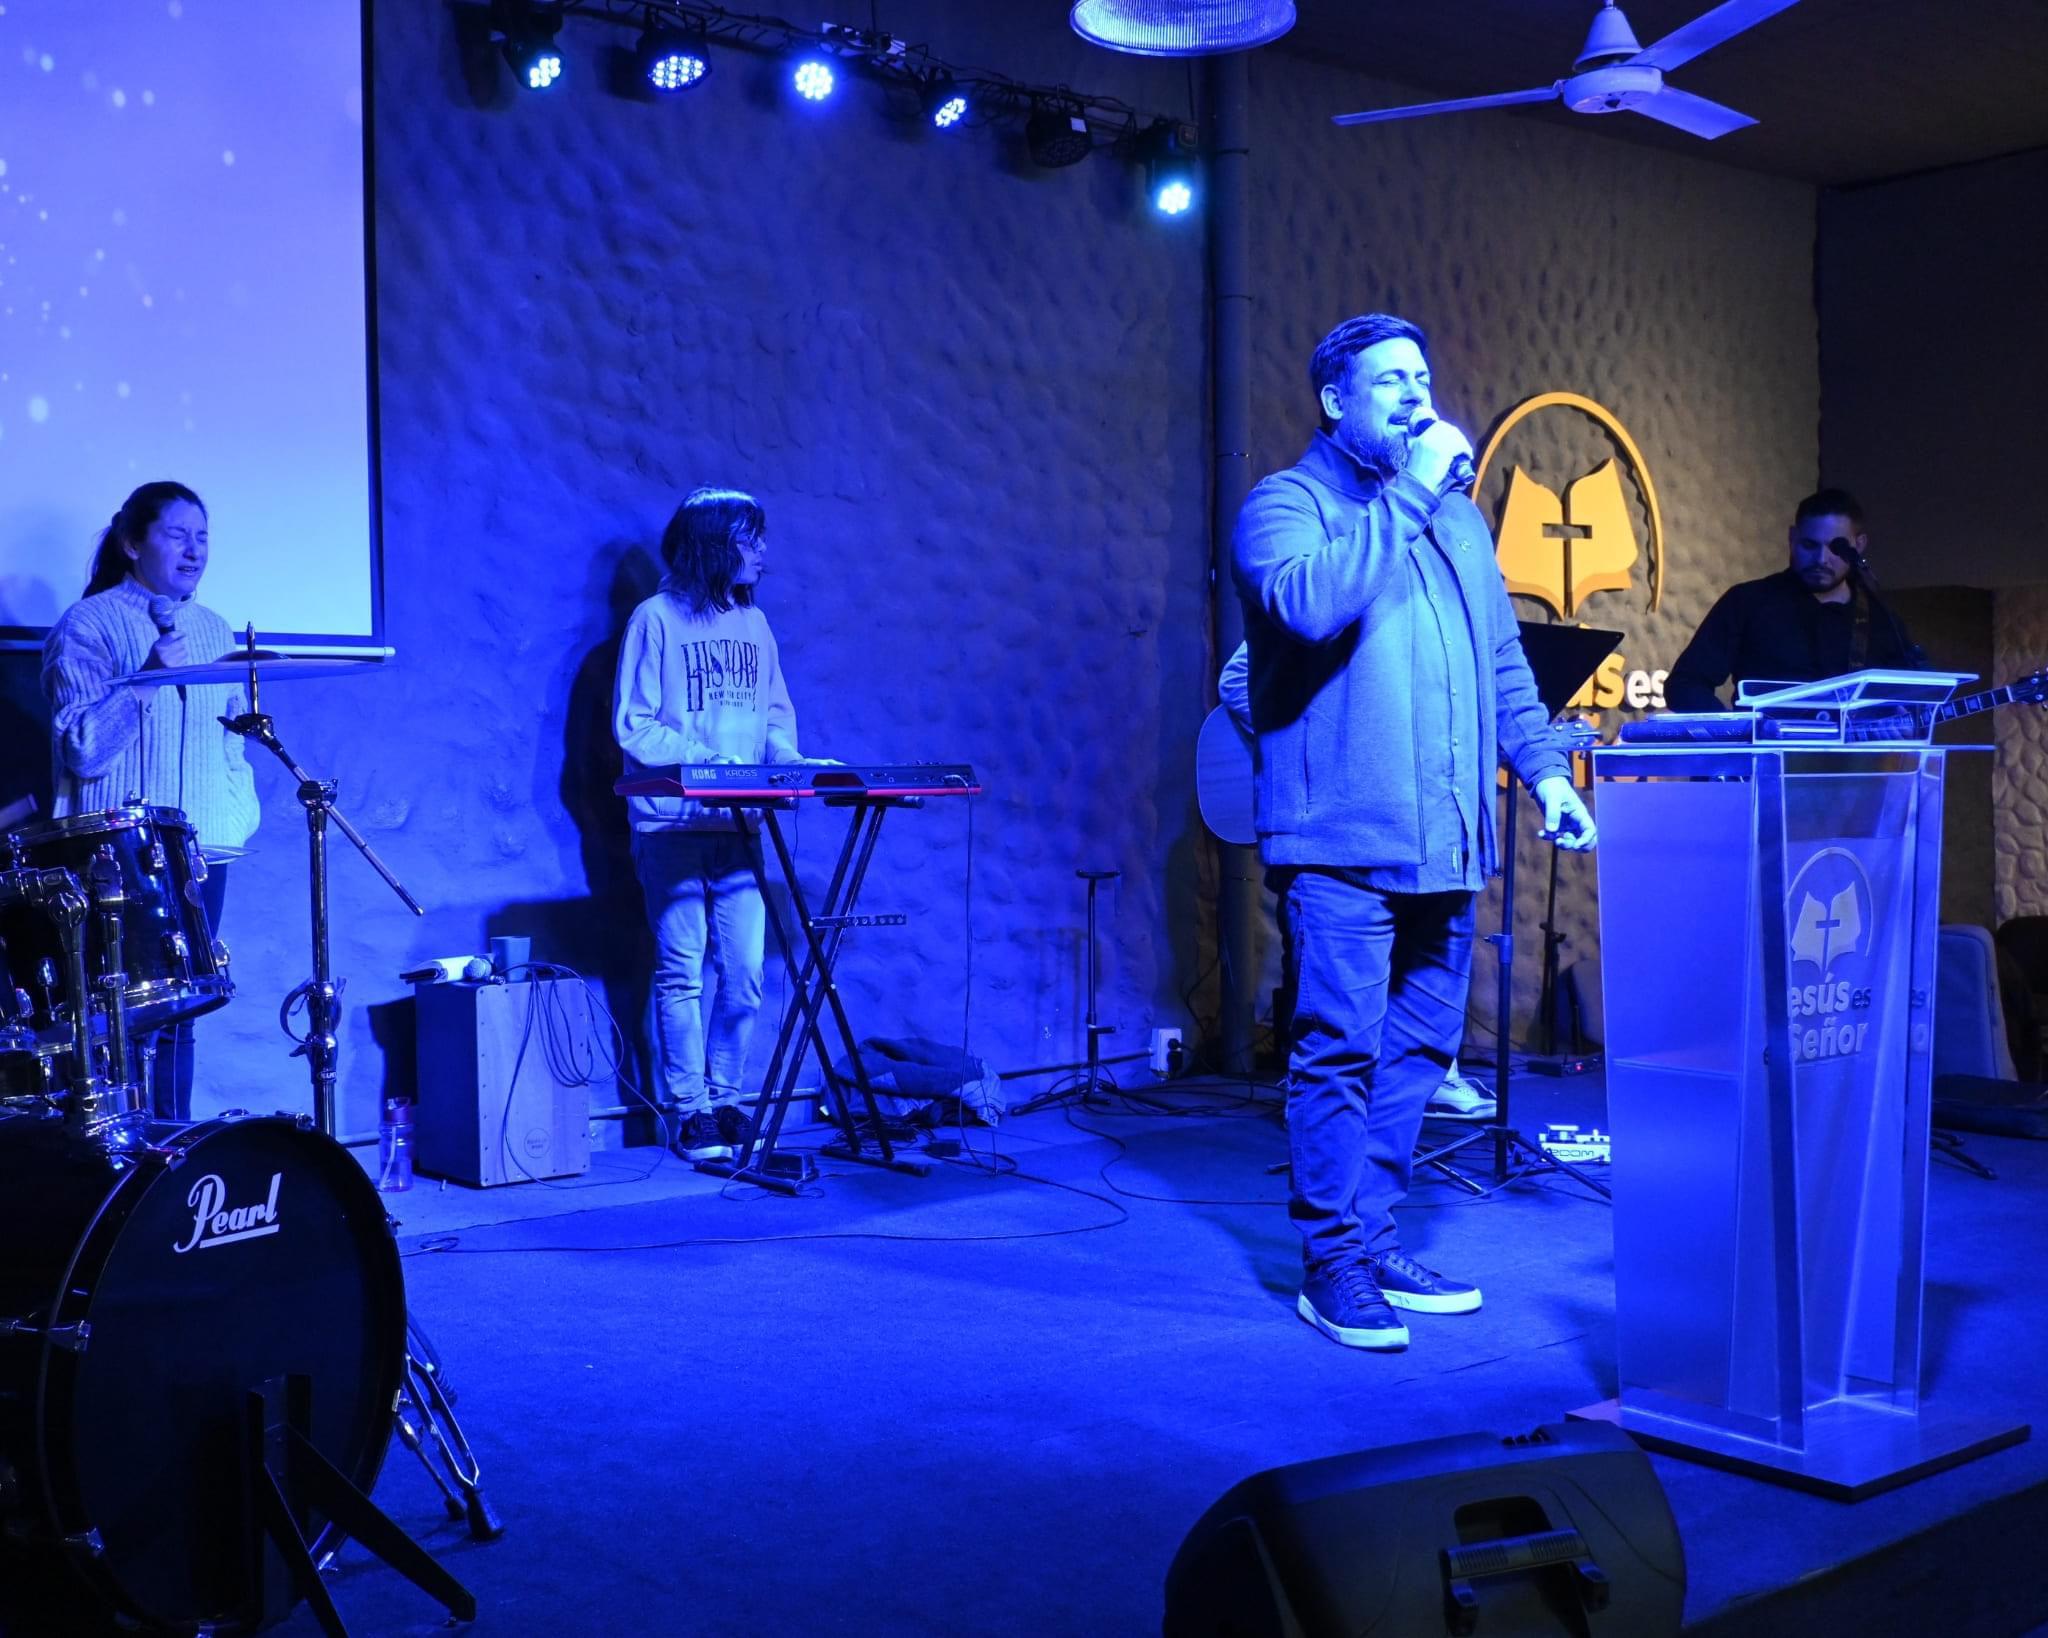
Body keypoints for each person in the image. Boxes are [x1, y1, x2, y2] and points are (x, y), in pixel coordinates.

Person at [1233, 313, 1596, 1353]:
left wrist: (1544, 772)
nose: (1415, 395)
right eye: (1389, 380)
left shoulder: (1457, 521)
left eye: (1422, 378)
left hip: (1450, 842)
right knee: (1339, 1052)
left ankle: (1373, 1237)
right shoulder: (1286, 505)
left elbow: (1503, 665)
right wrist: (1410, 492)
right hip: (1340, 847)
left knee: (1418, 1053)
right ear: (1333, 400)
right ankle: (1331, 1264)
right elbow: (1307, 607)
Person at [41, 480, 262, 1120]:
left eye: (202, 537)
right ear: (133, 544)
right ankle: (121, 1158)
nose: (194, 551)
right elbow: (82, 749)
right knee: (121, 1017)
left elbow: (232, 743)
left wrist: (232, 822)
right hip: (118, 850)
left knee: (183, 1012)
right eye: (176, 535)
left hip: (202, 850)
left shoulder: (215, 628)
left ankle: (171, 1152)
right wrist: (147, 680)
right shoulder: (88, 624)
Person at [1218, 638, 1497, 1121]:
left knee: (1419, 986)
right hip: (1335, 839)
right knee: (1337, 1017)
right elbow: (1236, 680)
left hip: (1413, 830)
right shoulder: (1326, 594)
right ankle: (1331, 1110)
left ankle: (1421, 1086)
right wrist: (1304, 747)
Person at [614, 487, 807, 1163]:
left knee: (746, 974)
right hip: (671, 828)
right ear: (714, 544)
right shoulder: (655, 620)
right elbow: (635, 725)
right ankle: (690, 1112)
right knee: (682, 975)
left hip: (740, 829)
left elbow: (775, 717)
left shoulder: (755, 624)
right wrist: (707, 762)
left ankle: (727, 1101)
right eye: (751, 540)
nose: (763, 553)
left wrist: (790, 765)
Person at [1664, 488, 1923, 713]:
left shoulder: (1881, 617)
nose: (1821, 559)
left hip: (1853, 756)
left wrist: (1903, 719)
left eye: (1836, 548)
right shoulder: (1747, 602)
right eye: (1809, 545)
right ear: (1792, 538)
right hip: (1766, 754)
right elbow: (1684, 684)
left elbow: (1915, 695)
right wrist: (1737, 731)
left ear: (1859, 545)